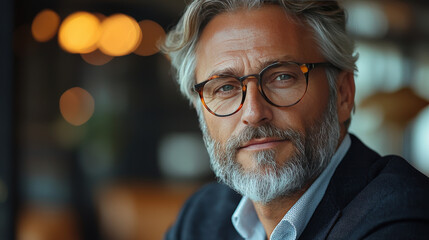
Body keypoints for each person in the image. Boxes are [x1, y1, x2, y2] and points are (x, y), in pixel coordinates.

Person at [161, 1, 429, 239]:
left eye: (282, 77)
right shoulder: (201, 218)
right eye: (225, 88)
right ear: (199, 108)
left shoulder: (402, 218)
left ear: (344, 94)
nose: (254, 113)